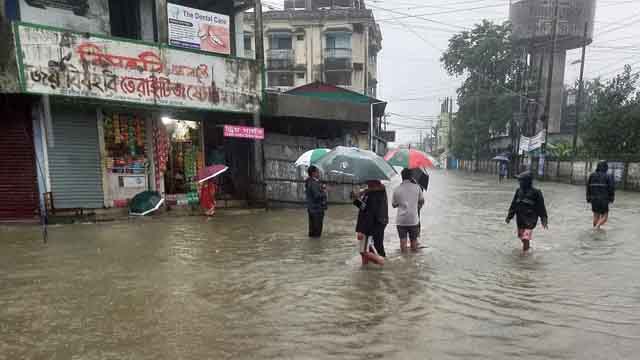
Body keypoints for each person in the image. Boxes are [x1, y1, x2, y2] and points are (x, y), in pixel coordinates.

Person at [506, 172, 548, 252]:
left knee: (525, 238)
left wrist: (544, 219)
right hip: (520, 219)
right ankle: (528, 248)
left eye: (521, 181)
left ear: (527, 182)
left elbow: (541, 207)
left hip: (530, 219)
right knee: (522, 237)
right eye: (519, 181)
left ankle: (525, 255)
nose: (520, 183)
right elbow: (514, 204)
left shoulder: (536, 192)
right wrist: (509, 216)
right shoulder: (518, 191)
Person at [353, 180, 389, 265]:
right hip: (377, 223)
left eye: (368, 181)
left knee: (364, 251)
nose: (366, 182)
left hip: (369, 226)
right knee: (373, 247)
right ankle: (366, 268)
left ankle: (381, 261)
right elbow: (364, 207)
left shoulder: (373, 195)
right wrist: (355, 199)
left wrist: (361, 230)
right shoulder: (375, 193)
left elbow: (368, 213)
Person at [393, 168, 425, 252]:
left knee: (402, 242)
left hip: (401, 220)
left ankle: (404, 259)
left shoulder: (397, 189)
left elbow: (394, 204)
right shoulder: (417, 187)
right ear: (411, 176)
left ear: (402, 177)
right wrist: (417, 206)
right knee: (414, 242)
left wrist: (400, 203)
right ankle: (413, 261)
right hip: (413, 219)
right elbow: (422, 201)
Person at [587, 161, 615, 229]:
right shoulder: (608, 176)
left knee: (596, 215)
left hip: (593, 199)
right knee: (605, 217)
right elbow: (611, 188)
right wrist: (611, 198)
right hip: (604, 199)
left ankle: (596, 229)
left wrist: (588, 198)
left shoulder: (592, 175)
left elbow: (588, 187)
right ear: (606, 167)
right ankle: (596, 228)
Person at [305, 165, 328, 238]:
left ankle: (313, 247)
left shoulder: (309, 181)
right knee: (317, 232)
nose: (319, 173)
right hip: (317, 210)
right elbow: (317, 196)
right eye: (317, 172)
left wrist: (321, 188)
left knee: (312, 231)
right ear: (313, 173)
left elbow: (313, 192)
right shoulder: (313, 183)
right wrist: (324, 192)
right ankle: (317, 247)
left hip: (311, 209)